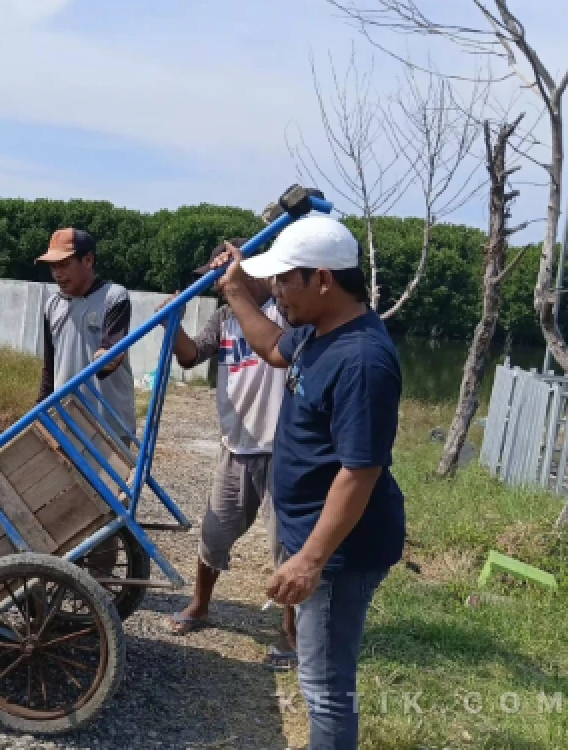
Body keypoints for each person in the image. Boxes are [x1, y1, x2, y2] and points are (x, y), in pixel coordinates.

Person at [213, 214, 406, 749]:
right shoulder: (322, 332)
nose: (274, 290)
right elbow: (273, 347)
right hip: (318, 539)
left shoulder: (361, 359)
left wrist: (310, 559)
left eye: (283, 279)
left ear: (323, 279)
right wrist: (236, 291)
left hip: (342, 554)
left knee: (325, 687)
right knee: (319, 677)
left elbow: (359, 470)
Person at [161, 238, 297, 671]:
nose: (221, 284)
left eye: (227, 274)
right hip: (236, 445)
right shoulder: (223, 319)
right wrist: (172, 323)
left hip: (283, 450)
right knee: (214, 534)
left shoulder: (284, 312)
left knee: (288, 547)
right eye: (219, 278)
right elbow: (189, 357)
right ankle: (200, 605)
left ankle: (291, 631)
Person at [36, 228, 135, 444]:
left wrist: (107, 359)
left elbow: (112, 353)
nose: (57, 274)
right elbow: (50, 367)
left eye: (63, 265)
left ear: (88, 260)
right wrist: (39, 410)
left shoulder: (114, 297)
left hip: (108, 425)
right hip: (67, 423)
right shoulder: (52, 306)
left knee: (107, 479)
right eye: (53, 267)